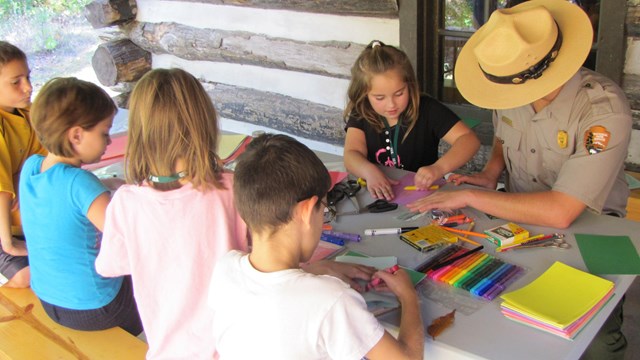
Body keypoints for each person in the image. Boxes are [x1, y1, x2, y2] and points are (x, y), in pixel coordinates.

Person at [408, 1, 630, 359]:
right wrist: (490, 173)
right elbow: (503, 136)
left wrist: (469, 196)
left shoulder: (602, 109)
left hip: (594, 234)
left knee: (597, 343)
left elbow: (561, 211)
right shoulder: (509, 88)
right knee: (493, 319)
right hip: (517, 225)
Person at [209, 133, 424, 360]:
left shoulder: (226, 268)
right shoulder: (332, 299)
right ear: (306, 210)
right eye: (324, 209)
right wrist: (408, 296)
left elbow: (272, 297)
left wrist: (313, 271)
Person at [19, 77, 142, 335]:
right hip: (96, 308)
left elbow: (61, 196)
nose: (109, 141)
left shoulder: (32, 167)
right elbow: (126, 241)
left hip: (48, 299)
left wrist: (105, 184)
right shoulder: (81, 184)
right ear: (76, 135)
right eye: (104, 132)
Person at [343, 40, 480, 201]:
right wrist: (369, 171)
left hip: (423, 196)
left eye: (399, 93)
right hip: (376, 196)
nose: (391, 104)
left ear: (410, 85)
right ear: (364, 94)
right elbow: (351, 154)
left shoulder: (428, 110)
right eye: (379, 97)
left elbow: (469, 140)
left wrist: (439, 168)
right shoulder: (362, 111)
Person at [0, 41, 47, 288]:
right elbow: (2, 191)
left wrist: (23, 179)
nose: (28, 87)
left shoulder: (27, 112)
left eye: (27, 77)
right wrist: (7, 243)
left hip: (23, 212)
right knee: (24, 276)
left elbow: (43, 160)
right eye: (15, 82)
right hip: (4, 225)